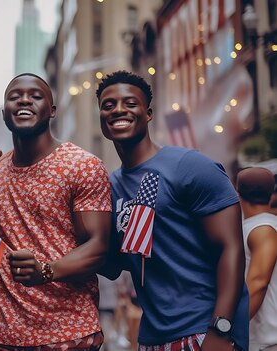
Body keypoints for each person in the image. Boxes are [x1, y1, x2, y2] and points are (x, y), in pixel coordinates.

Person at [96, 70, 248, 351]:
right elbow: (113, 266)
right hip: (151, 338)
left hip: (204, 331)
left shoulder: (190, 166)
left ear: (148, 113)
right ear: (102, 119)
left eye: (130, 103)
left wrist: (221, 329)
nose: (118, 109)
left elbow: (231, 248)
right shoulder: (109, 186)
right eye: (108, 105)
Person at [0, 73, 111, 350]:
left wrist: (46, 271)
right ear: (5, 113)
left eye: (35, 96)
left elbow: (99, 246)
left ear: (52, 110)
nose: (24, 100)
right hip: (6, 337)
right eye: (14, 97)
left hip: (69, 333)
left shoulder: (82, 165)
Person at [236, 167, 277, 351]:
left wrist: (229, 328)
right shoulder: (260, 225)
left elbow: (259, 282)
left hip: (268, 339)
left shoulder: (262, 228)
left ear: (238, 194)